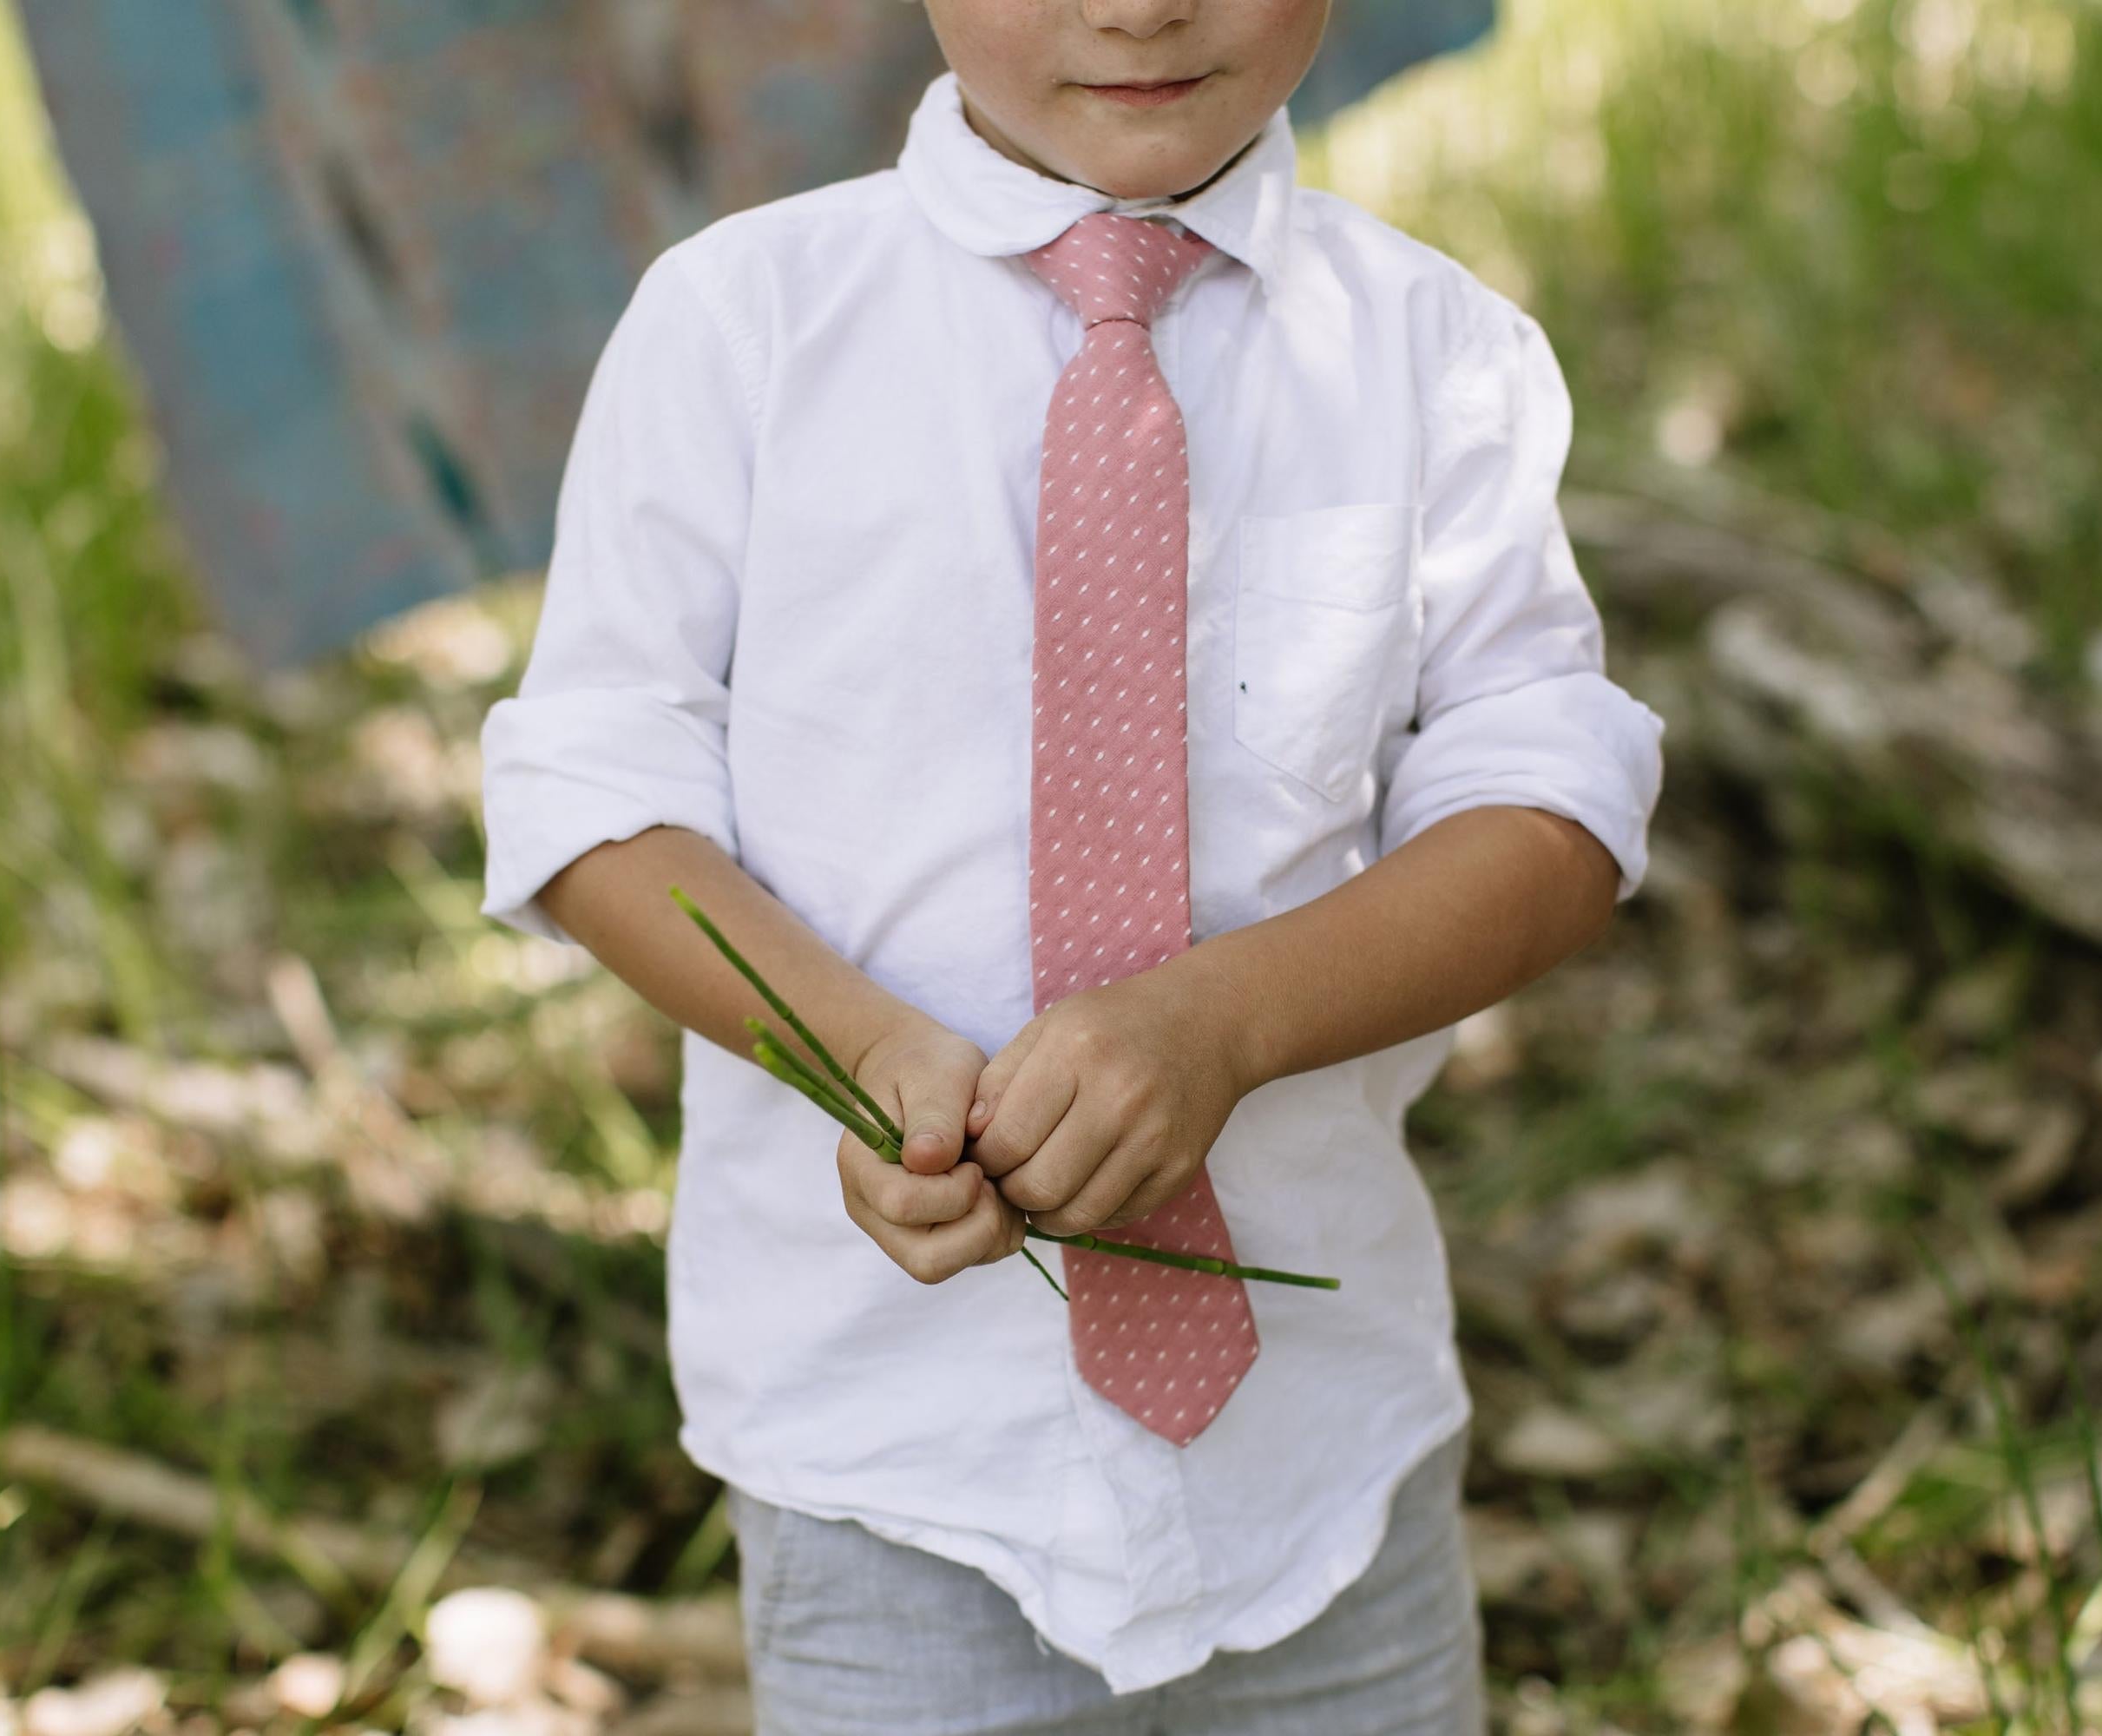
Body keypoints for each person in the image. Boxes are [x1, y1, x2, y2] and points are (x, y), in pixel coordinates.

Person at [476, 1, 1666, 1728]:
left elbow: (1549, 802)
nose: (1136, 5)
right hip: (885, 1449)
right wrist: (857, 1052)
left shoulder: (1429, 348)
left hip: (1322, 1463)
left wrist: (1231, 1021)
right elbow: (599, 780)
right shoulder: (740, 324)